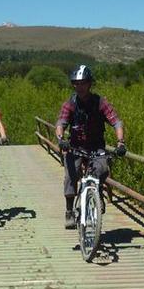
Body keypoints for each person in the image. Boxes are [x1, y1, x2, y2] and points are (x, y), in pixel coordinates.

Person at [55, 65, 126, 229]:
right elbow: (61, 123)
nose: (79, 87)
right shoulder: (70, 104)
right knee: (70, 177)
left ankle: (97, 192)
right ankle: (69, 211)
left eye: (83, 83)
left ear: (89, 84)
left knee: (102, 169)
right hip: (75, 147)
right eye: (76, 83)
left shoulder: (100, 103)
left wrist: (120, 142)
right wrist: (60, 138)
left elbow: (116, 122)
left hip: (96, 147)